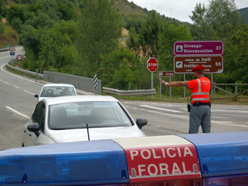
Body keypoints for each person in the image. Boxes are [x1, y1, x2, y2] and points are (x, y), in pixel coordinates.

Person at [159, 65, 211, 134]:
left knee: (193, 131)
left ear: (196, 72)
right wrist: (171, 82)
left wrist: (166, 84)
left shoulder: (196, 82)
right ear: (202, 72)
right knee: (207, 131)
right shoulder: (208, 81)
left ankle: (194, 143)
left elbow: (181, 83)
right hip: (207, 108)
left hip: (197, 108)